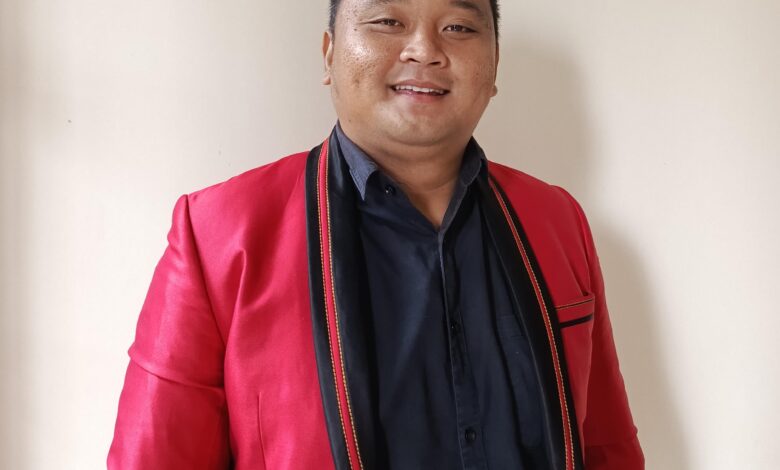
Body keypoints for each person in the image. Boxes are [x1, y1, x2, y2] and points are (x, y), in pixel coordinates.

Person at [108, 0, 644, 468]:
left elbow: (607, 446)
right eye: (388, 21)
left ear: (495, 65)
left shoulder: (555, 220)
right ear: (329, 54)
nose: (424, 50)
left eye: (459, 27)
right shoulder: (219, 233)